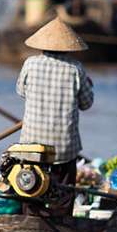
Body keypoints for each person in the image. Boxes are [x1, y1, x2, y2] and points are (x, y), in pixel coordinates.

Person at [16, 18, 94, 214]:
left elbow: (21, 91)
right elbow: (86, 104)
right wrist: (88, 85)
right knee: (65, 189)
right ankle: (62, 221)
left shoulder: (30, 64)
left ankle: (31, 216)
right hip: (64, 146)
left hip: (31, 144)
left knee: (30, 186)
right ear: (68, 48)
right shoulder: (76, 69)